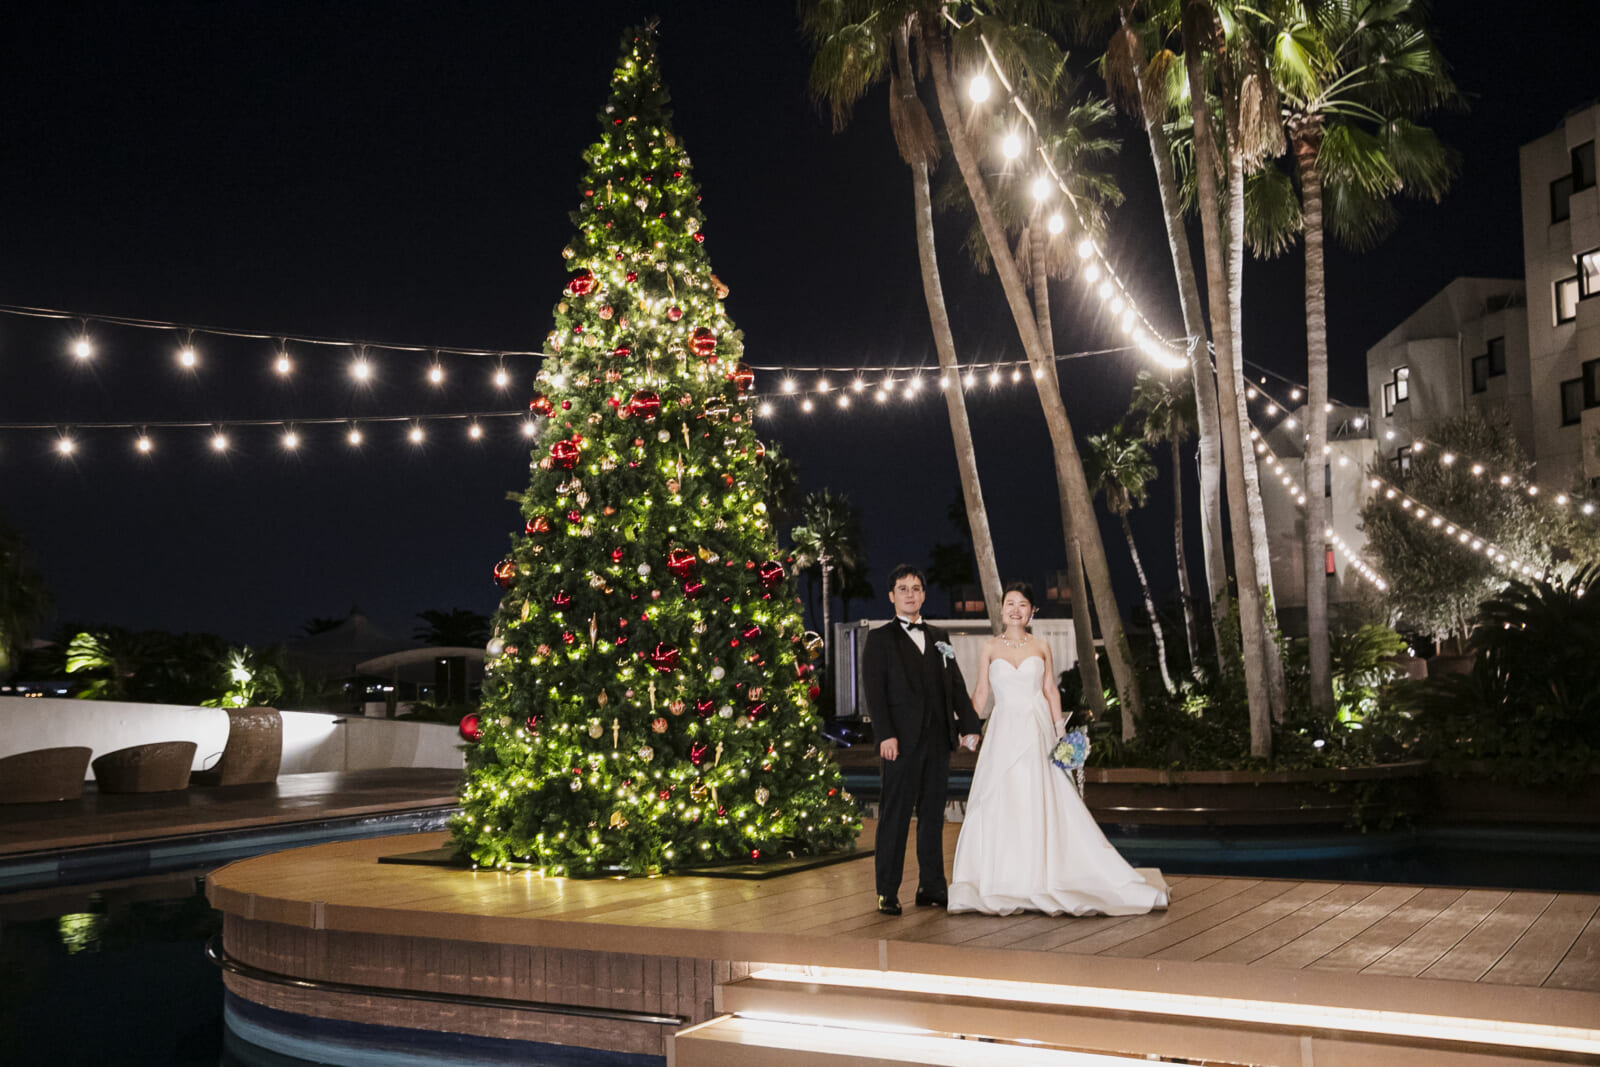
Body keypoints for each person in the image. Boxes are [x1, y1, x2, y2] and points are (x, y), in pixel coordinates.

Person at [949, 582, 1169, 916]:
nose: (1015, 609)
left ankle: (1045, 874)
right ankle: (1003, 877)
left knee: (1038, 796)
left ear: (1032, 610)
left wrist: (1059, 733)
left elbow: (1050, 690)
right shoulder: (989, 647)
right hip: (1003, 731)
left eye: (1023, 604)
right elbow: (981, 691)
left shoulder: (1042, 645)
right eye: (1010, 603)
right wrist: (966, 728)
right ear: (1002, 608)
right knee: (1000, 798)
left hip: (1036, 731)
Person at [860, 564, 982, 915]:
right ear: (891, 596)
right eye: (903, 589)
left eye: (916, 588)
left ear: (924, 594)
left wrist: (969, 725)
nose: (910, 594)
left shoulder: (941, 636)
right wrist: (885, 734)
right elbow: (875, 692)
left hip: (937, 740)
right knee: (895, 817)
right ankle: (887, 891)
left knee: (932, 816)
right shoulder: (880, 639)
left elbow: (956, 685)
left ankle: (931, 886)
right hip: (899, 742)